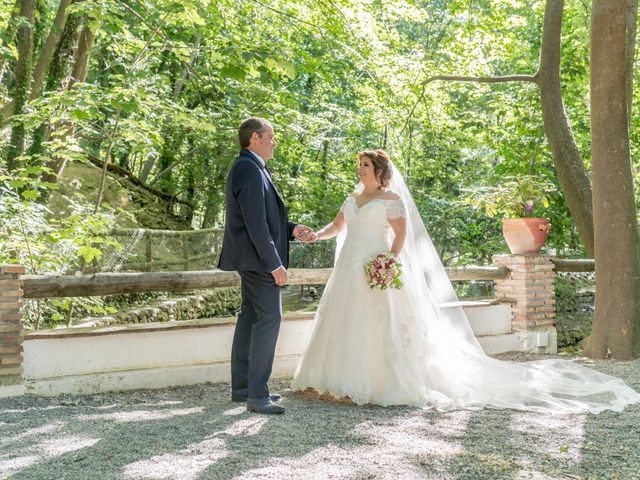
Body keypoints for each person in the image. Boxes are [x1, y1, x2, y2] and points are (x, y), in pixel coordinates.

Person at [292, 149, 640, 413]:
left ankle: (377, 381)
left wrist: (388, 260)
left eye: (365, 165)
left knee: (376, 322)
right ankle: (331, 380)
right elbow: (336, 227)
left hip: (374, 266)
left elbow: (400, 237)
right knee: (343, 318)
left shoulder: (391, 200)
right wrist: (314, 236)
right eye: (359, 165)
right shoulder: (352, 198)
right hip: (348, 267)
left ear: (379, 171)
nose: (360, 169)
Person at [218, 117, 312, 415]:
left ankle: (243, 388)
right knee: (270, 318)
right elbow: (255, 224)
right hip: (259, 261)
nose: (274, 142)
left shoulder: (252, 166)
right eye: (271, 136)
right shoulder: (247, 167)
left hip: (252, 258)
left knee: (250, 318)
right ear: (254, 138)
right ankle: (258, 395)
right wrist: (274, 264)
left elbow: (265, 218)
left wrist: (292, 229)